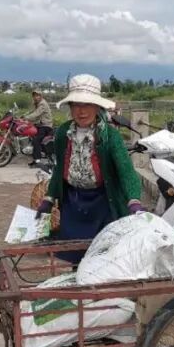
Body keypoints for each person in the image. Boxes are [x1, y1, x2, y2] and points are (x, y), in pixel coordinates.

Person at [37, 74, 143, 262]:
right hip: (73, 203)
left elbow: (126, 171)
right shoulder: (63, 133)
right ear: (70, 107)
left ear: (97, 106)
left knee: (102, 256)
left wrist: (133, 200)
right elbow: (60, 168)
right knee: (76, 253)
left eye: (87, 105)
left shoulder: (110, 136)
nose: (81, 111)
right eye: (76, 105)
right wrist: (49, 198)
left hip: (101, 203)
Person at [24, 90, 54, 165]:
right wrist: (24, 115)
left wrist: (26, 118)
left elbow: (36, 114)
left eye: (37, 95)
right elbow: (32, 112)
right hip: (40, 125)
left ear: (41, 96)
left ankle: (37, 160)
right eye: (34, 96)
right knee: (30, 135)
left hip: (45, 125)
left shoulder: (42, 104)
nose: (35, 97)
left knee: (36, 140)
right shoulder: (37, 104)